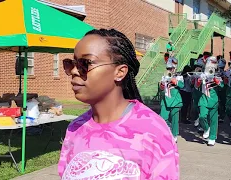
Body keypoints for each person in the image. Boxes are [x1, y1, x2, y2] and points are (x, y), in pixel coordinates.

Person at [58, 29, 179, 179]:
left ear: (120, 72)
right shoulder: (75, 128)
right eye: (71, 64)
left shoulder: (153, 132)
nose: (75, 71)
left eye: (85, 63)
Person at [196, 57, 224, 146]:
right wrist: (199, 81)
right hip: (204, 99)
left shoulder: (217, 75)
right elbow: (196, 86)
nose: (211, 68)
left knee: (213, 120)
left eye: (212, 67)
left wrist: (217, 81)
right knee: (202, 116)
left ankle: (212, 138)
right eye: (209, 66)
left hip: (213, 99)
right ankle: (206, 128)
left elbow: (222, 86)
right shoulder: (202, 74)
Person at [159, 71, 184, 142]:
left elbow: (182, 86)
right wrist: (162, 84)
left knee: (175, 119)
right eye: (169, 68)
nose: (171, 70)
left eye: (172, 68)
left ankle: (174, 134)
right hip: (165, 100)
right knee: (162, 118)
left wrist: (175, 81)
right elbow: (161, 89)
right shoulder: (164, 76)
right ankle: (169, 126)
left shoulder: (179, 76)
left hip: (176, 100)